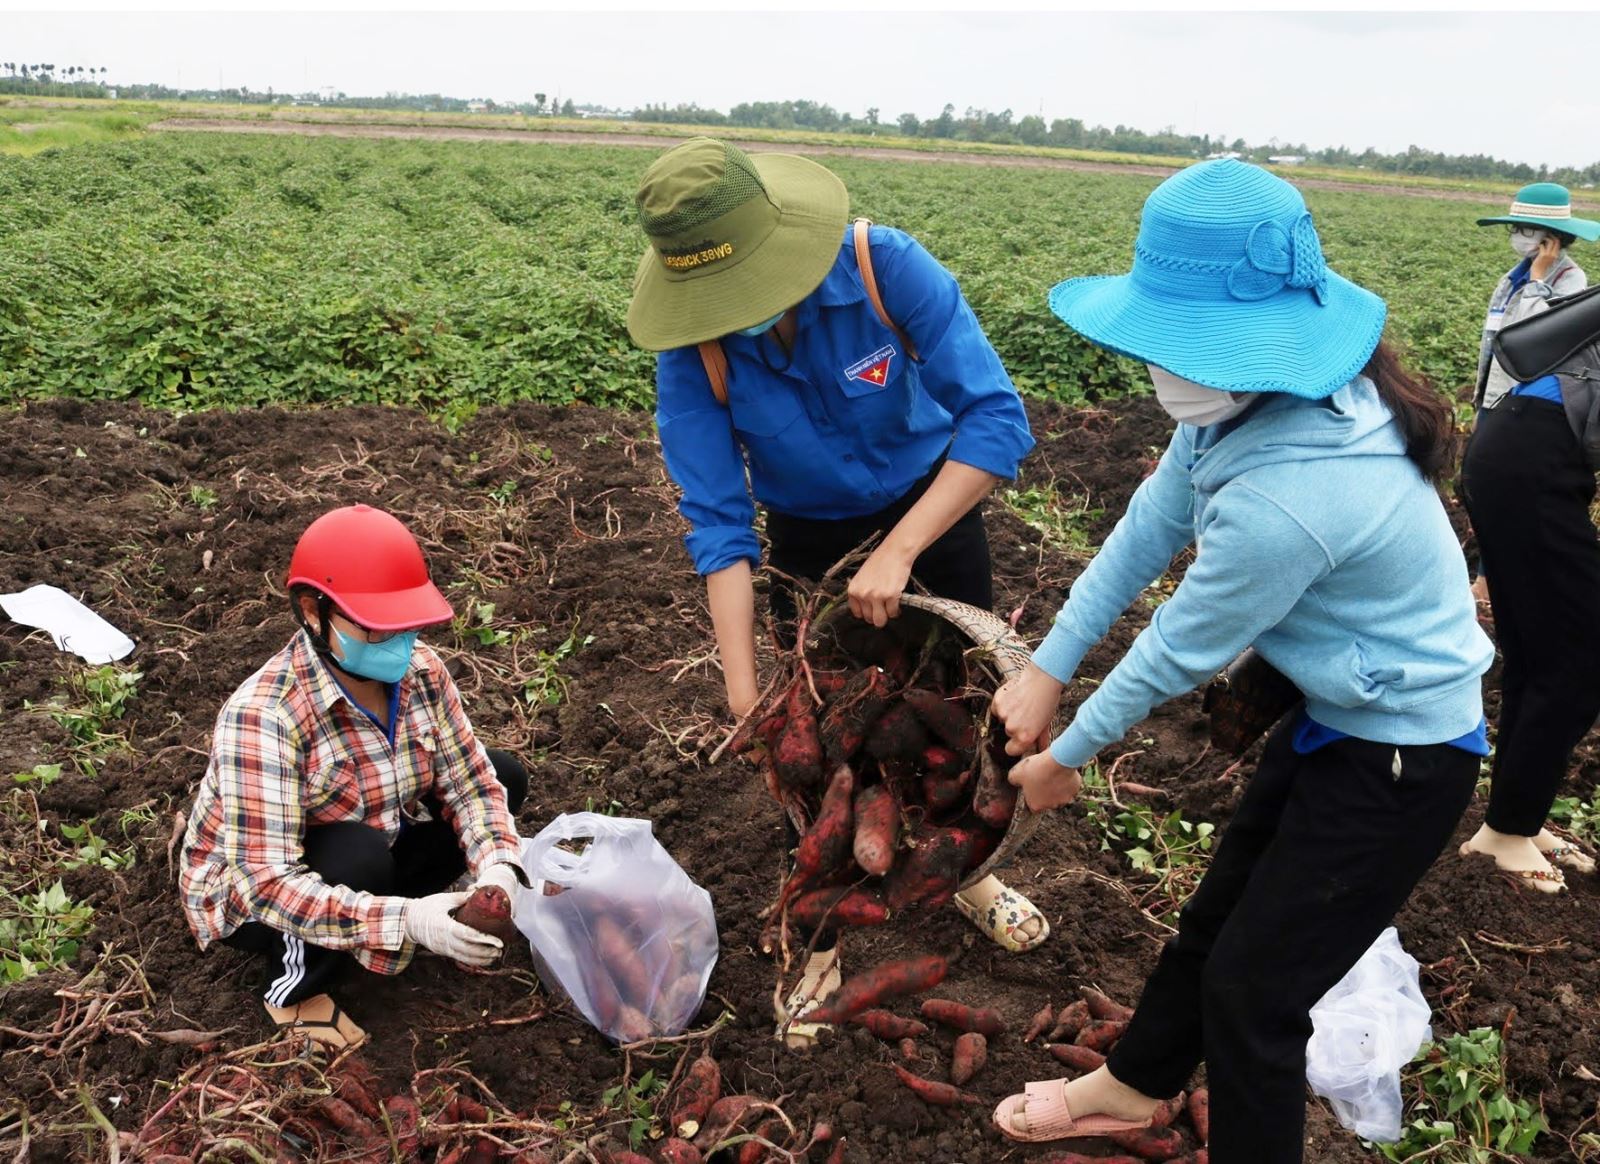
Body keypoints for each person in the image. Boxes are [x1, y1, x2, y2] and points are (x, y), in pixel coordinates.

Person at [987, 160, 1493, 1163]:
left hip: (1401, 761)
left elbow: (1179, 646)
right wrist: (1045, 667)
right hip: (1335, 717)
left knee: (1255, 1002)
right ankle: (1132, 1089)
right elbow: (1144, 532)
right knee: (1211, 926)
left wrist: (1069, 755)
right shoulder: (1246, 405)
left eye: (1179, 341)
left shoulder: (1293, 495)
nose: (1158, 363)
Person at [623, 137, 1043, 1045]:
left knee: (961, 717)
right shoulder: (695, 352)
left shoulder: (882, 267)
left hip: (934, 508)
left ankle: (968, 874)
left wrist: (900, 548)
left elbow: (997, 419)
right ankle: (815, 931)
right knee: (816, 746)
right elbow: (720, 522)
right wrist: (744, 690)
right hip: (808, 543)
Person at [179, 504, 529, 1050]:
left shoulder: (423, 675)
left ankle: (405, 910)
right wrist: (407, 921)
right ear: (312, 612)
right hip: (256, 892)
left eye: (405, 623)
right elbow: (267, 885)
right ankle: (293, 991)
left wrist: (499, 868)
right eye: (374, 626)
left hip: (375, 833)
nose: (399, 641)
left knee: (505, 775)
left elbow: (472, 784)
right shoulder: (266, 715)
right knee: (354, 856)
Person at [1458, 185, 1600, 891]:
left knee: (1545, 657)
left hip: (1513, 457)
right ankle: (1506, 830)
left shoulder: (1575, 291)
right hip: (1529, 463)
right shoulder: (1534, 290)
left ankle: (1518, 818)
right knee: (1578, 660)